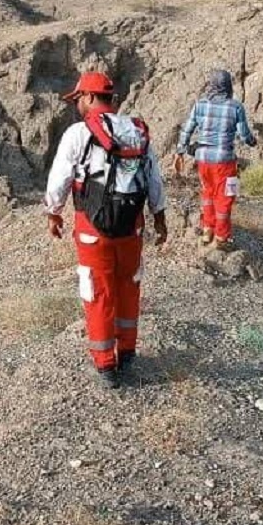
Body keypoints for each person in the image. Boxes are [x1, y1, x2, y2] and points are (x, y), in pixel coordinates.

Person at [45, 72, 168, 389]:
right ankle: (127, 352)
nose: (77, 106)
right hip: (132, 226)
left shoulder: (78, 132)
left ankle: (105, 367)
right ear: (111, 100)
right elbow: (154, 177)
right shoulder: (136, 130)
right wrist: (159, 216)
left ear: (87, 97)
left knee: (98, 293)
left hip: (92, 229)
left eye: (78, 100)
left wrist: (53, 212)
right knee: (129, 286)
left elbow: (60, 177)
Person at [173, 69, 257, 250]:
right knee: (225, 198)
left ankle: (207, 230)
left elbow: (186, 130)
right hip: (225, 161)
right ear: (228, 86)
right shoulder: (235, 107)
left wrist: (180, 152)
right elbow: (244, 135)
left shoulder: (200, 105)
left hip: (203, 160)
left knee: (208, 195)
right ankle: (221, 237)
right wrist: (252, 142)